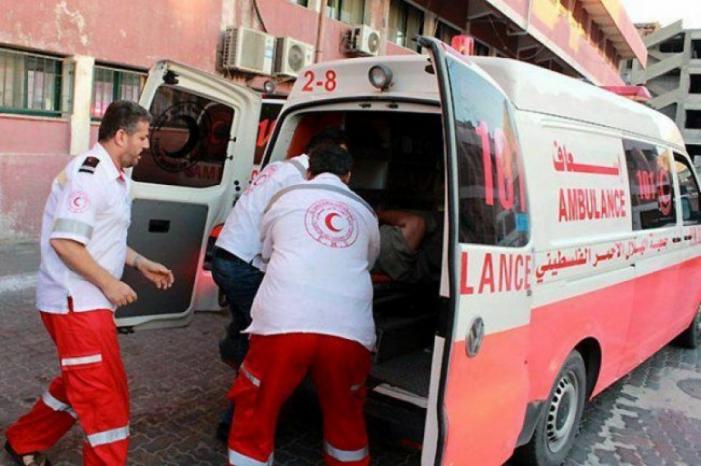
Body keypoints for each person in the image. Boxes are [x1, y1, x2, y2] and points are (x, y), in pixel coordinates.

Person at [4, 101, 174, 466]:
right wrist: (110, 284)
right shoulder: (90, 175)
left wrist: (140, 263)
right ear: (121, 136)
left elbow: (101, 238)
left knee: (78, 383)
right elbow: (65, 242)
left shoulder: (114, 176)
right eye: (143, 137)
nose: (146, 145)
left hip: (86, 303)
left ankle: (23, 441)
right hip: (76, 304)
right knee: (105, 401)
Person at [227, 143, 380, 466]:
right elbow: (368, 261)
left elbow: (267, 252)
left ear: (309, 171)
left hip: (283, 324)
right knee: (346, 417)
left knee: (256, 411)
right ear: (348, 175)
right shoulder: (366, 211)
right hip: (348, 329)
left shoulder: (285, 198)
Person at [211, 127, 347, 438]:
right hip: (246, 265)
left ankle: (234, 353)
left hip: (226, 256)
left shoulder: (282, 167)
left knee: (247, 332)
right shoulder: (300, 181)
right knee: (269, 344)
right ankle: (240, 421)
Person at [373, 209, 442, 284]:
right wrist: (377, 216)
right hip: (440, 239)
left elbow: (383, 279)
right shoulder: (385, 245)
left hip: (430, 273)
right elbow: (416, 224)